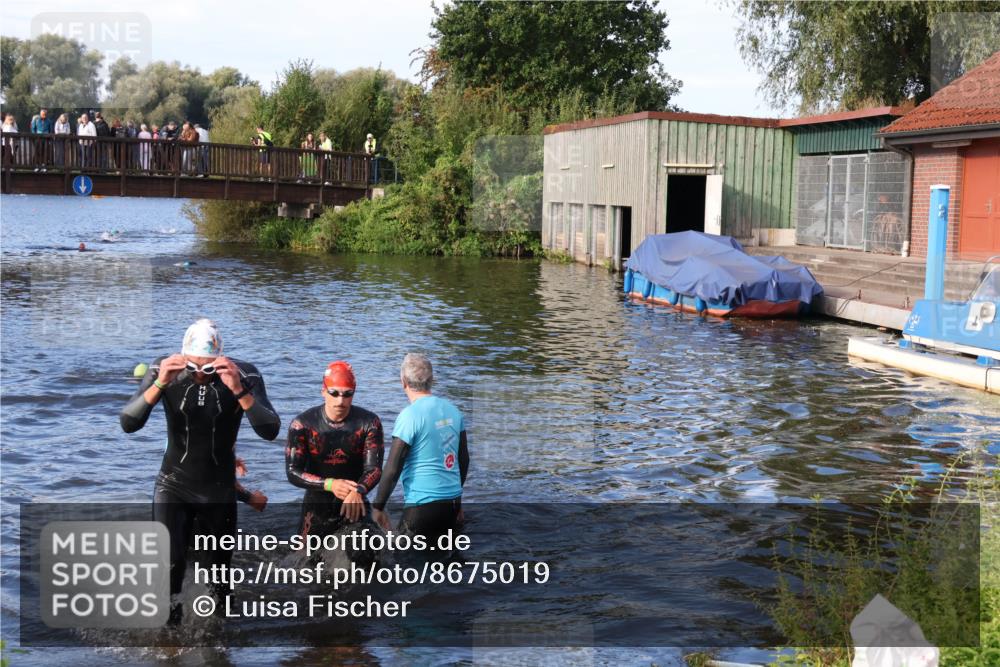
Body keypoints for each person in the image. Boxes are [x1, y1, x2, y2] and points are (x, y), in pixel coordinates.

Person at [119, 319, 281, 622]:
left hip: (218, 489)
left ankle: (218, 644)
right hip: (173, 484)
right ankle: (169, 642)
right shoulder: (163, 369)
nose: (200, 375)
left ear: (221, 358)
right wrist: (160, 383)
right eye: (193, 367)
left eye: (208, 369)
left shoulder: (244, 374)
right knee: (170, 566)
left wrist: (238, 389)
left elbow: (270, 429)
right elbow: (128, 423)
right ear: (183, 357)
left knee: (218, 579)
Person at [372, 354, 469, 542]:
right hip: (452, 504)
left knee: (406, 564)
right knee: (447, 564)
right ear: (432, 380)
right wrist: (457, 496)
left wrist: (378, 507)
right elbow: (463, 460)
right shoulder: (454, 411)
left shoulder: (409, 416)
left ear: (403, 382)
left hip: (421, 508)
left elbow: (393, 469)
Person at [286, 361, 384, 543]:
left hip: (354, 502)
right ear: (323, 391)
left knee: (367, 557)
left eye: (347, 394)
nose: (341, 400)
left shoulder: (369, 423)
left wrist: (359, 490)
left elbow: (374, 469)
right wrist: (330, 484)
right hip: (316, 506)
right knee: (303, 564)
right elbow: (293, 471)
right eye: (334, 393)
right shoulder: (303, 424)